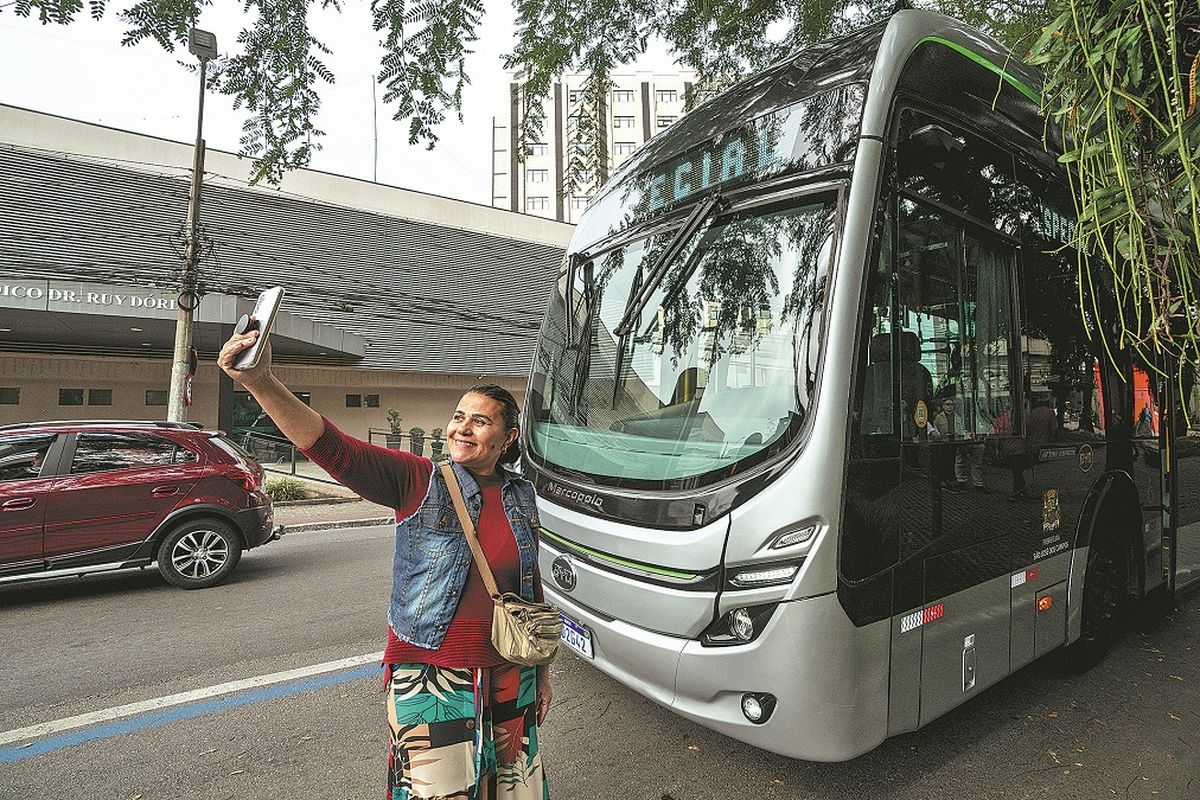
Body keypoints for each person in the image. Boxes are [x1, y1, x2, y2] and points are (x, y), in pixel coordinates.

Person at [218, 329, 552, 800]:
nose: (462, 429)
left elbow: (527, 586)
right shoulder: (419, 480)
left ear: (508, 436)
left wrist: (541, 669)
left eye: (480, 421)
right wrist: (259, 381)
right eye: (459, 417)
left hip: (511, 669)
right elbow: (333, 448)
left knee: (514, 792)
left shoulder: (521, 495)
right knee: (439, 793)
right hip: (432, 673)